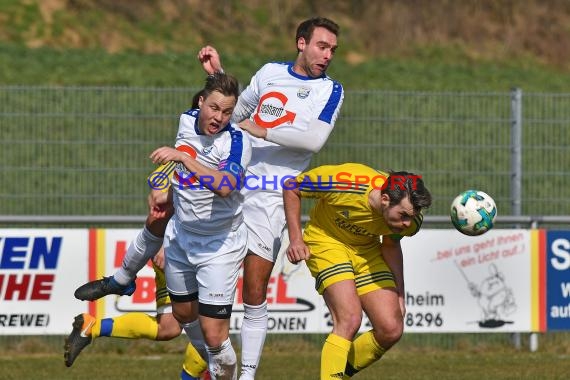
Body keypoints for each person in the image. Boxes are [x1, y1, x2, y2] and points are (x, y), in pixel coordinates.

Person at [75, 16, 344, 379]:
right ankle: (126, 279)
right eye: (322, 46)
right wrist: (219, 74)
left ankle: (244, 375)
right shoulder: (268, 73)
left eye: (332, 50)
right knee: (163, 215)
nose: (327, 55)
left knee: (253, 292)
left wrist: (262, 130)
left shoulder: (330, 90)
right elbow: (236, 111)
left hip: (271, 195)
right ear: (301, 42)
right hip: (236, 180)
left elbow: (313, 140)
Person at [282, 163, 432, 379]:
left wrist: (400, 295)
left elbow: (390, 245)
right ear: (385, 199)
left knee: (391, 328)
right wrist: (295, 239)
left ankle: (336, 373)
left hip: (366, 250)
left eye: (411, 216)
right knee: (349, 319)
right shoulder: (345, 182)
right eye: (403, 215)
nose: (407, 222)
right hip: (327, 242)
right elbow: (291, 187)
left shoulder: (410, 220)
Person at [151, 71, 251, 380]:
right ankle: (214, 366)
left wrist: (181, 158)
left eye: (227, 112)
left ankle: (227, 374)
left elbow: (224, 186)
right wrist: (162, 184)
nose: (219, 117)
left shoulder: (237, 142)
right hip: (181, 239)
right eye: (214, 108)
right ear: (200, 103)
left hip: (220, 246)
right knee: (181, 314)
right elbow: (175, 165)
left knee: (213, 334)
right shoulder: (187, 120)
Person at [64, 248, 210, 379]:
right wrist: (161, 244)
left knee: (168, 327)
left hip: (186, 250)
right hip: (194, 252)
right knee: (211, 328)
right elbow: (158, 218)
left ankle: (93, 327)